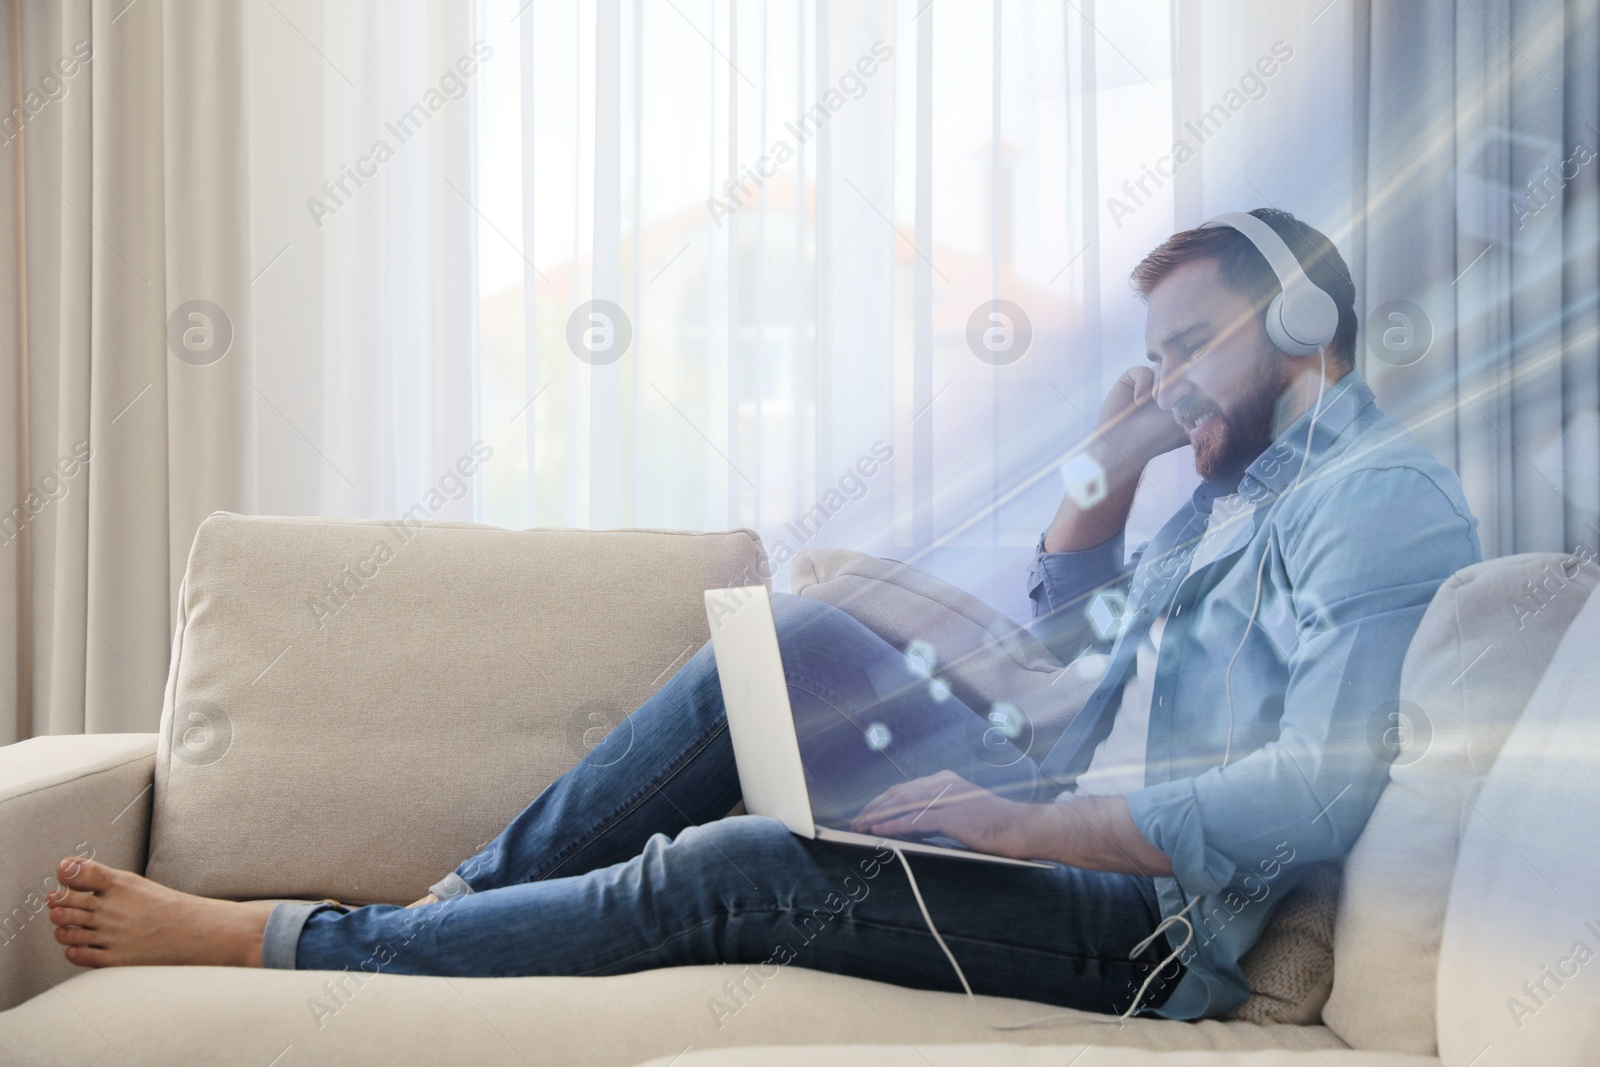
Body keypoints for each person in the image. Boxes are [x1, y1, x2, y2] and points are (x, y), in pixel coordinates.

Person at [44, 209, 1480, 1021]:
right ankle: (454, 914)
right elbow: (1073, 660)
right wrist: (1104, 487)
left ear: (1302, 334)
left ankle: (292, 943)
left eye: (1187, 350)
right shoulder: (1239, 492)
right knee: (783, 649)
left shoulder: (1375, 502)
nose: (1162, 383)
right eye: (1151, 354)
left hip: (1153, 923)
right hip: (1072, 812)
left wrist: (1031, 830)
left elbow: (1320, 791)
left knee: (731, 866)